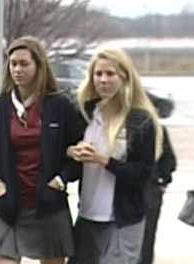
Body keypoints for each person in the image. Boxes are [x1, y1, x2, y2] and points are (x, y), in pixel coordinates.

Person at [0, 36, 81, 264]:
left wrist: (60, 180)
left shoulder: (59, 106)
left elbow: (78, 153)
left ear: (39, 66)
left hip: (49, 203)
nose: (17, 69)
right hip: (10, 203)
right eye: (13, 64)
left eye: (24, 64)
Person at [67, 46, 164, 264]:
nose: (103, 80)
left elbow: (142, 173)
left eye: (110, 74)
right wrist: (72, 151)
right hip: (88, 214)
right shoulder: (84, 113)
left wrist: (104, 160)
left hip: (123, 217)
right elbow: (65, 153)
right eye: (98, 74)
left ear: (125, 77)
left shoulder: (141, 120)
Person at [140, 122, 177, 264]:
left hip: (148, 186)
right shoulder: (156, 128)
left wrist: (163, 180)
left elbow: (169, 160)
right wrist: (163, 180)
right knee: (147, 234)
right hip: (151, 186)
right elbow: (170, 160)